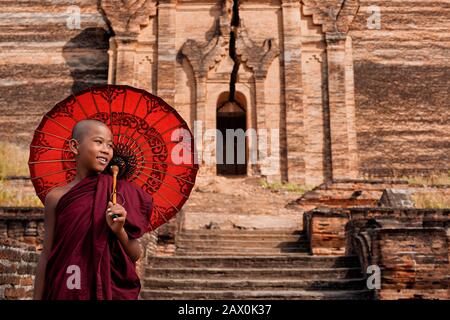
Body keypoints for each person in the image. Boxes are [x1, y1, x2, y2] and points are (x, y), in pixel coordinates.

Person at [33, 119, 153, 300]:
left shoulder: (120, 193)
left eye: (110, 145)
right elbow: (47, 253)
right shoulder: (56, 197)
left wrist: (119, 231)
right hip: (67, 285)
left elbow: (135, 254)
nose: (106, 149)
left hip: (110, 291)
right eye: (98, 142)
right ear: (75, 146)